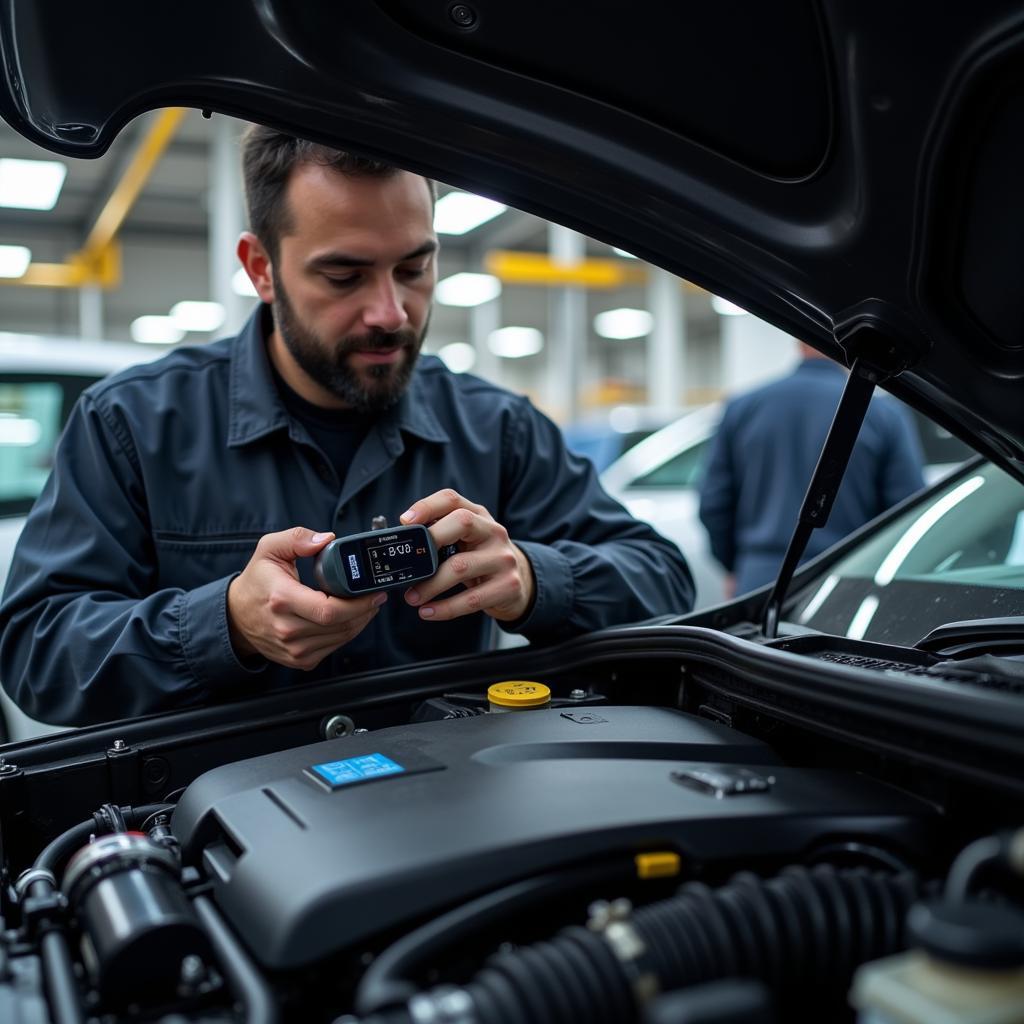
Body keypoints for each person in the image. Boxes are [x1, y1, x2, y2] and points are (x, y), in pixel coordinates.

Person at [0, 127, 694, 726]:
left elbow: (662, 579)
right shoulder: (132, 424)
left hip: (447, 810)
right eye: (345, 276)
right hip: (218, 833)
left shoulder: (497, 427)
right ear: (261, 268)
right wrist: (225, 626)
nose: (391, 311)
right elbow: (36, 651)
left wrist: (533, 579)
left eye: (414, 268)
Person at [698, 343, 925, 596]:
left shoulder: (742, 407)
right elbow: (907, 509)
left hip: (760, 580)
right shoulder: (883, 414)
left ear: (800, 343)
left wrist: (734, 565)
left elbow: (713, 503)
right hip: (847, 581)